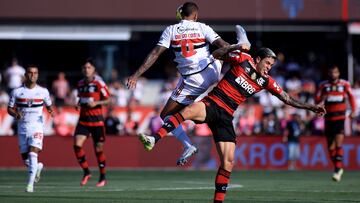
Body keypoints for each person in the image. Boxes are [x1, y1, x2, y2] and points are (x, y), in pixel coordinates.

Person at [139, 46, 326, 203]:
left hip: (226, 117)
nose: (269, 68)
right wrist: (235, 47)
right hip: (212, 103)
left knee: (228, 163)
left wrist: (310, 107)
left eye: (271, 65)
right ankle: (154, 139)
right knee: (186, 111)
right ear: (258, 58)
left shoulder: (266, 81)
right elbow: (217, 54)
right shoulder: (243, 59)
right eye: (267, 63)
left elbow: (285, 98)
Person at [127, 1, 250, 165]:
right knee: (219, 52)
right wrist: (232, 48)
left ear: (180, 15)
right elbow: (222, 45)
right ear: (196, 15)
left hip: (193, 80)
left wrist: (136, 75)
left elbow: (155, 54)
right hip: (213, 71)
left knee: (166, 115)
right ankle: (240, 47)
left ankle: (187, 145)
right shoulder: (202, 27)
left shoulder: (171, 30)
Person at [7, 65, 54, 192]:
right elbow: (9, 108)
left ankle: (30, 185)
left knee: (33, 153)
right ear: (25, 75)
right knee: (26, 159)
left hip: (37, 127)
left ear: (37, 75)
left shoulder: (43, 91)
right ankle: (38, 167)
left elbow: (49, 105)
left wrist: (51, 110)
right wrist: (15, 114)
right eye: (30, 73)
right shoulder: (16, 92)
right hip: (22, 127)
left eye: (35, 73)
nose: (33, 75)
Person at [315, 65, 356, 182]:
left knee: (338, 144)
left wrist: (353, 111)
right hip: (328, 119)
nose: (333, 75)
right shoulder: (323, 85)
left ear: (338, 73)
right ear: (329, 73)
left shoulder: (344, 84)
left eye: (335, 73)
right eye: (331, 72)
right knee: (330, 147)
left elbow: (351, 97)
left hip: (340, 118)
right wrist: (319, 103)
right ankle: (338, 167)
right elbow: (317, 99)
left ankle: (337, 170)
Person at [73, 59, 110, 187]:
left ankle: (103, 177)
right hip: (83, 120)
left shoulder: (99, 83)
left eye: (89, 67)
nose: (86, 70)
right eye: (84, 67)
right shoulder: (80, 84)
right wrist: (78, 105)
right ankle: (86, 172)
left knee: (98, 149)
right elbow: (80, 98)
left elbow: (108, 100)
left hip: (97, 121)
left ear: (93, 69)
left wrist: (96, 103)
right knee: (77, 145)